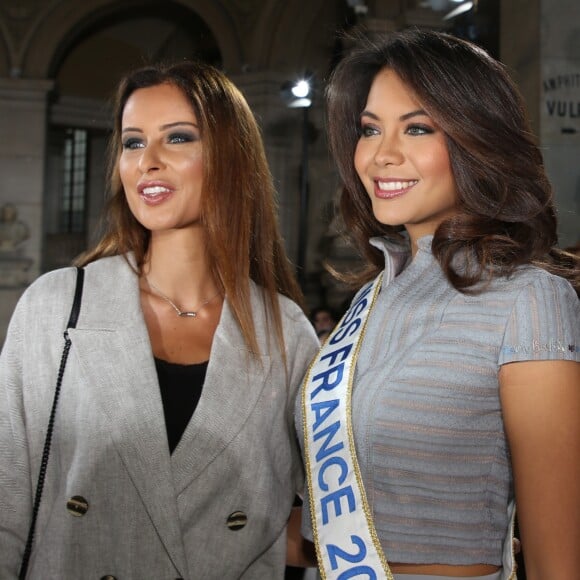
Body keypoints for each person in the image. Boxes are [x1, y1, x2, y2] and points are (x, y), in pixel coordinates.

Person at [0, 60, 320, 579]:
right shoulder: (56, 307)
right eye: (132, 142)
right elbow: (6, 502)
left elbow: (313, 525)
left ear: (229, 157)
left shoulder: (286, 332)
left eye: (176, 138)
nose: (146, 161)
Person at [297, 29, 580, 580]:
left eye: (418, 127)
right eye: (370, 129)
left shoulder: (529, 299)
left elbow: (556, 562)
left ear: (479, 139)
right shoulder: (369, 298)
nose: (382, 155)